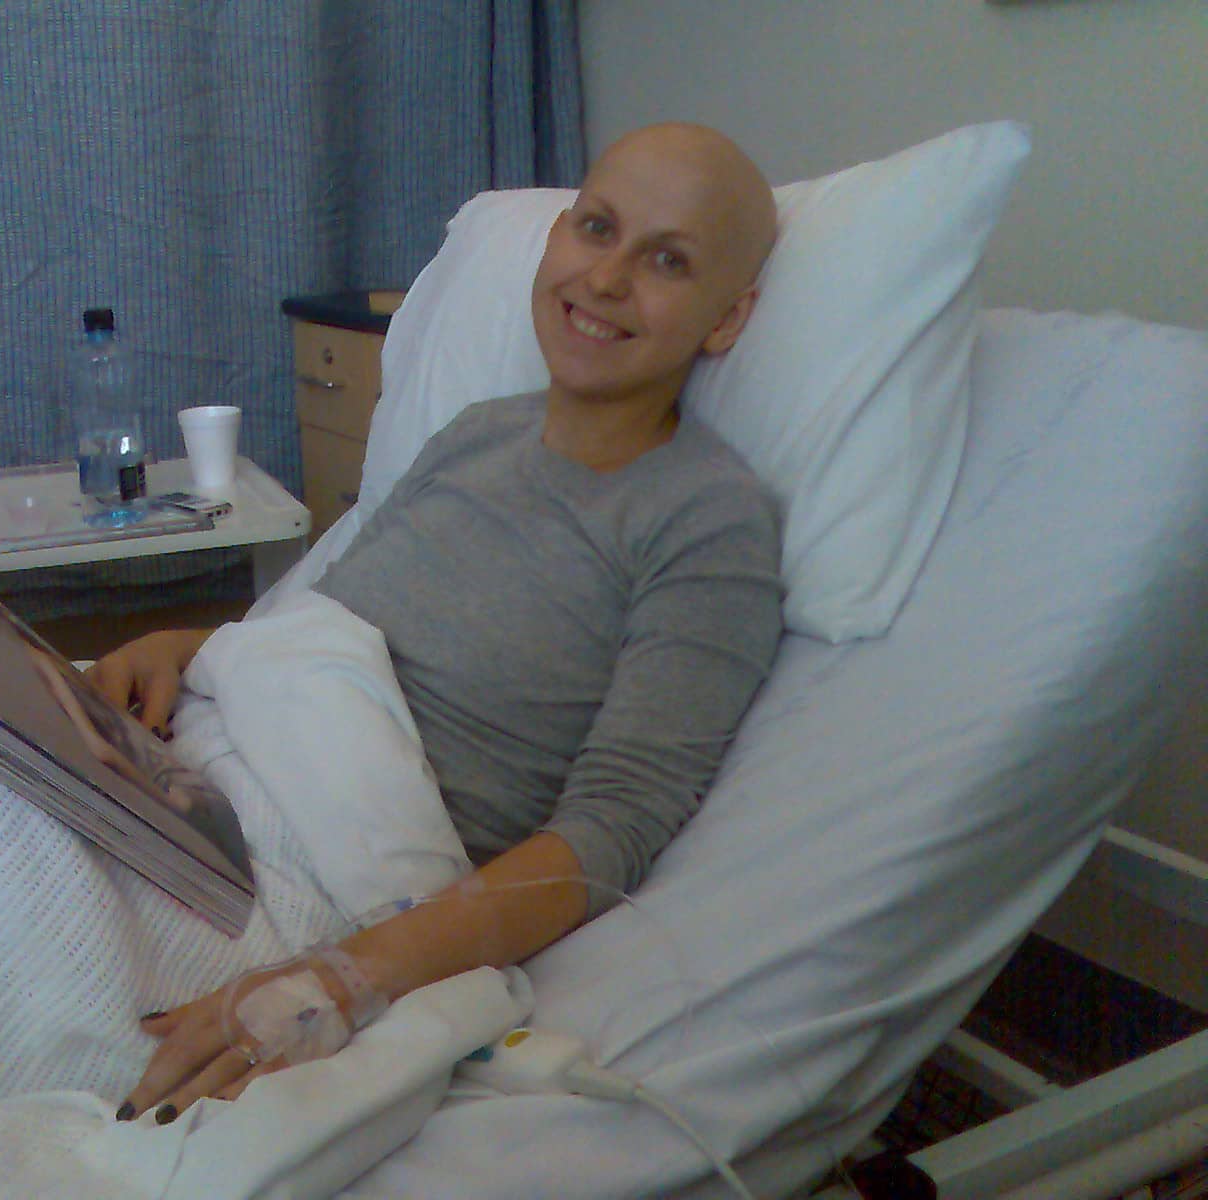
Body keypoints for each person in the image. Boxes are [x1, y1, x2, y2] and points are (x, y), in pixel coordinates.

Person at [88, 122, 785, 1123]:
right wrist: (187, 650)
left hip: (307, 884)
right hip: (193, 787)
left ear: (726, 321)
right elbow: (326, 637)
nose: (608, 277)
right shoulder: (478, 433)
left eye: (667, 260)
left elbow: (612, 827)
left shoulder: (705, 518)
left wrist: (334, 979)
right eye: (596, 228)